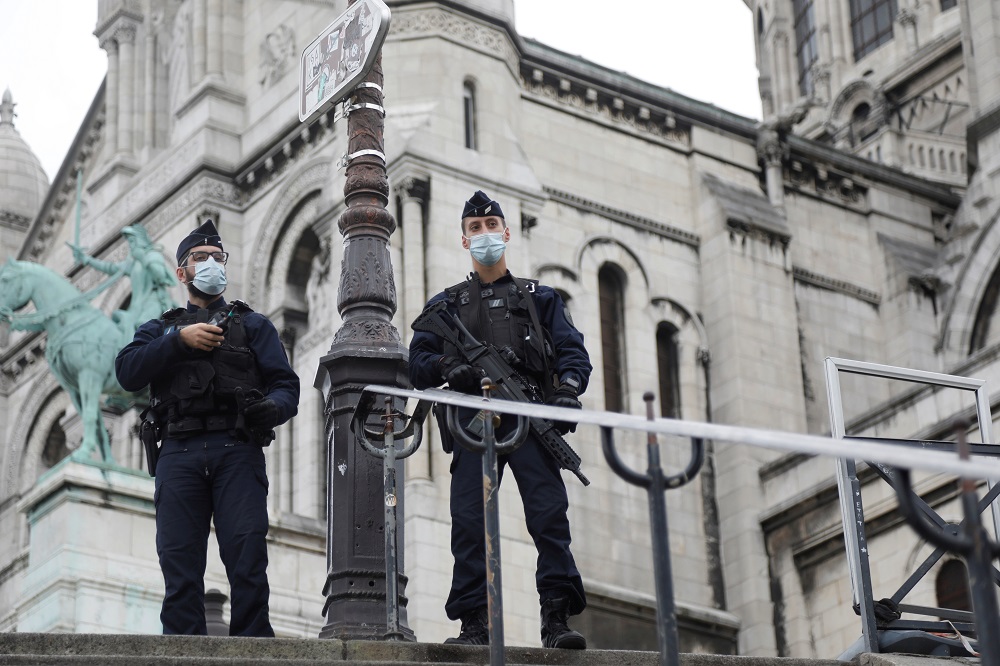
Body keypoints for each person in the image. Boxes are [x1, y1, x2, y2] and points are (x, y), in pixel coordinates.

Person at [408, 191, 593, 649]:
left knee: (549, 516)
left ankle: (556, 619)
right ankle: (474, 624)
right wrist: (449, 369)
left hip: (528, 417)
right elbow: (417, 362)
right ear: (464, 240)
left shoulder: (539, 298)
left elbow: (573, 352)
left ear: (507, 233)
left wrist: (567, 391)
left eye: (492, 225)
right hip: (472, 422)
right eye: (475, 228)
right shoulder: (446, 306)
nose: (485, 234)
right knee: (468, 522)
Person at [115, 220, 299, 636]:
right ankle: (183, 650)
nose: (212, 263)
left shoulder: (254, 326)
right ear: (182, 272)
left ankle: (253, 648)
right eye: (201, 258)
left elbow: (287, 386)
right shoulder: (160, 328)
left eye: (218, 257)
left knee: (247, 557)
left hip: (236, 448)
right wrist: (179, 341)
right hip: (178, 453)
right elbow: (126, 371)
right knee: (179, 564)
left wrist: (271, 408)